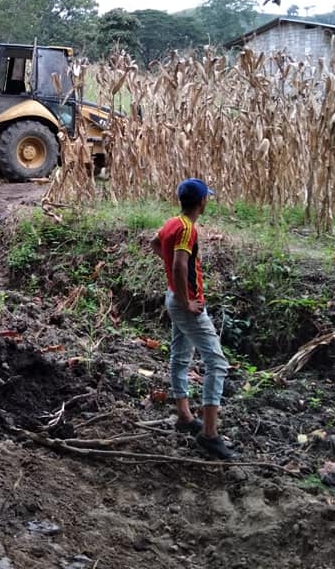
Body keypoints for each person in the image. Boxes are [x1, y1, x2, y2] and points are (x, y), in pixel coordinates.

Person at [150, 178, 234, 460]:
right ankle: (209, 434)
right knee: (217, 363)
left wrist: (175, 284)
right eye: (206, 198)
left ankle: (185, 416)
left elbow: (155, 243)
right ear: (201, 202)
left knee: (180, 356)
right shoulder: (187, 229)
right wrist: (187, 300)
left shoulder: (172, 223)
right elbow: (178, 265)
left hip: (174, 297)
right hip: (185, 304)